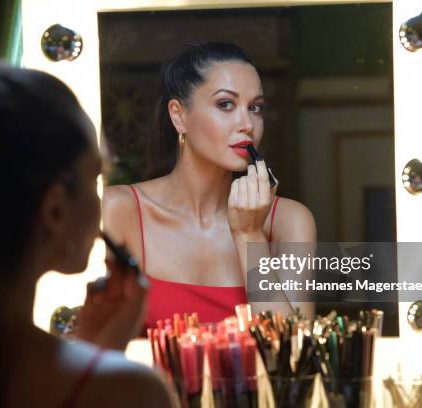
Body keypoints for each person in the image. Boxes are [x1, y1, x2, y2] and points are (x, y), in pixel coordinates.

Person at [0, 66, 174, 407]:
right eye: (94, 177)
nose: (247, 123)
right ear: (54, 210)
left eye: (256, 107)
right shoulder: (128, 392)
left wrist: (92, 355)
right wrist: (94, 368)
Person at [102, 41, 316, 329]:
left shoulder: (289, 221)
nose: (247, 124)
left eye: (255, 108)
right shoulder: (120, 210)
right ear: (179, 115)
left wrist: (249, 235)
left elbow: (293, 358)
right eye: (226, 104)